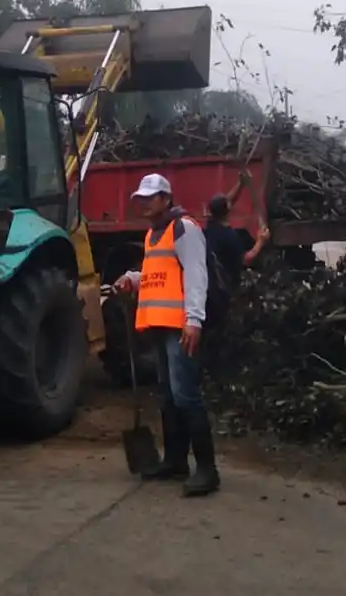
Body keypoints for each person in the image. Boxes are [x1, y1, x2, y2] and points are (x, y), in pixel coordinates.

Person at [113, 173, 221, 497]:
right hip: (161, 326)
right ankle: (175, 461)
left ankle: (207, 470)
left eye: (151, 197)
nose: (145, 203)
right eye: (141, 199)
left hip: (180, 327)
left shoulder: (184, 229)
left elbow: (197, 275)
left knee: (185, 394)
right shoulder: (153, 234)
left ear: (166, 199)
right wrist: (132, 279)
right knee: (168, 395)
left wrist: (194, 320)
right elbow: (156, 274)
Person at [199, 192, 267, 372]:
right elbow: (246, 259)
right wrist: (261, 241)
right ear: (228, 210)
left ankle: (205, 368)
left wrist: (241, 185)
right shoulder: (231, 238)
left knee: (208, 331)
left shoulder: (209, 229)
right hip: (224, 292)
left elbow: (226, 203)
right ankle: (218, 368)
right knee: (222, 332)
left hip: (209, 289)